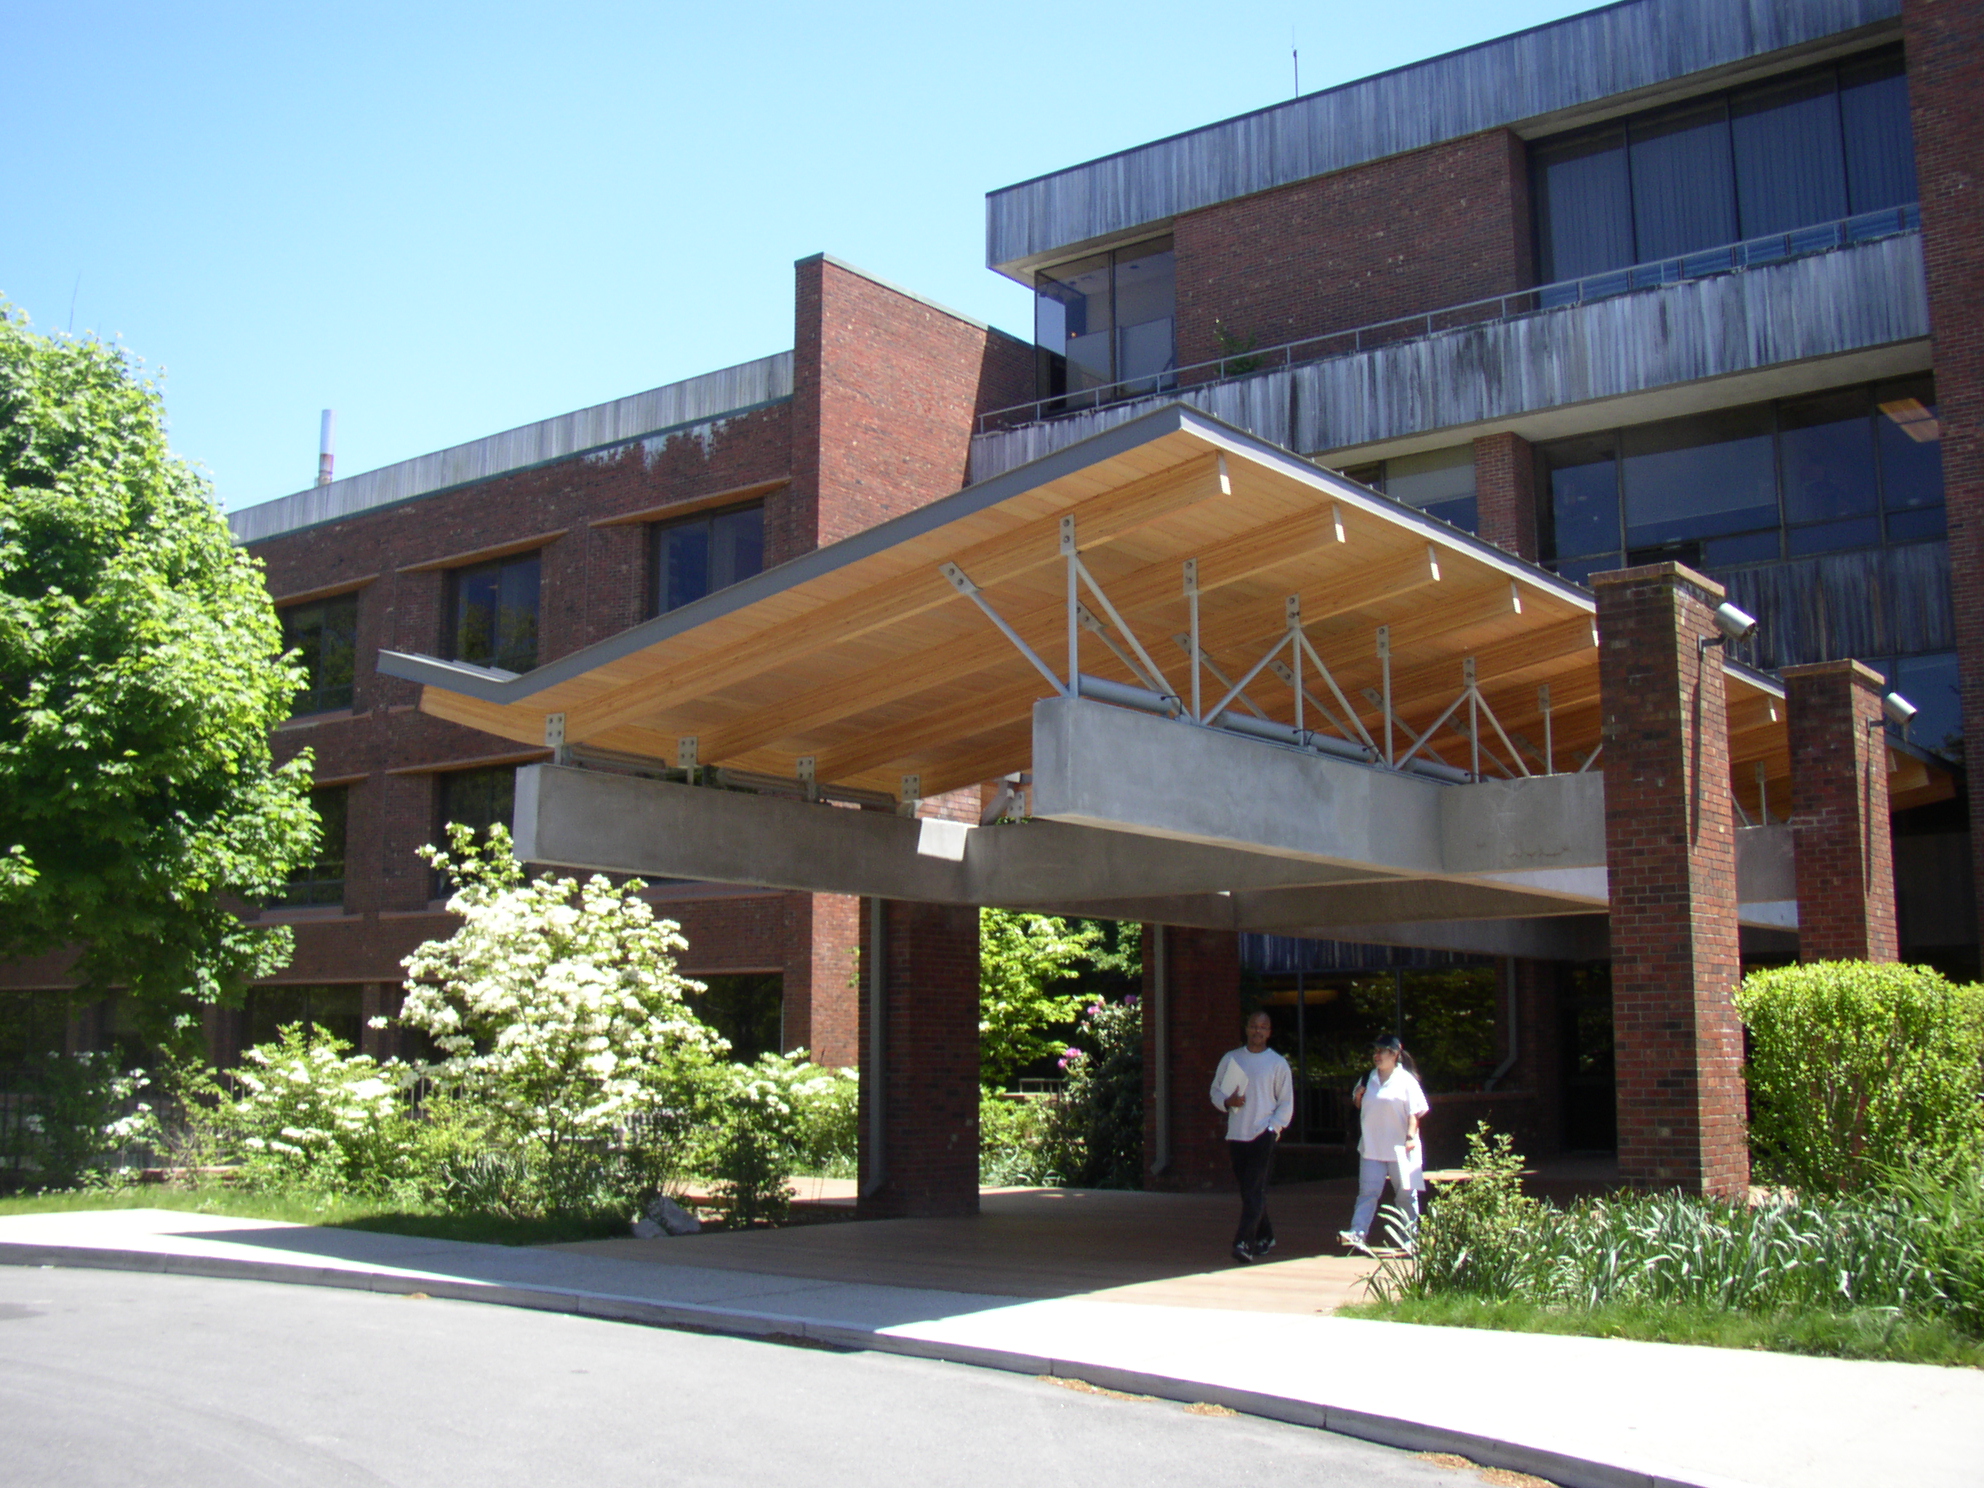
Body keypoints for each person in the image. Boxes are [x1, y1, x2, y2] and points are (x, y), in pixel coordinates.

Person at [1209, 1009, 1293, 1265]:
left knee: (1254, 1190)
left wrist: (1273, 1128)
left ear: (1269, 1032)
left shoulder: (1277, 1063)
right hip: (1237, 1134)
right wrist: (1227, 1102)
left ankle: (1243, 1242)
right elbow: (1215, 1091)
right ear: (1246, 1029)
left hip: (1262, 1134)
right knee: (1249, 1191)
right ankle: (1266, 1235)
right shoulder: (1232, 1059)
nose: (1258, 1031)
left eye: (1263, 1027)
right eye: (1254, 1026)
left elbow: (1286, 1102)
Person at [1340, 1033, 1429, 1251]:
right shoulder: (1367, 1078)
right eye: (1375, 1051)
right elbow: (1361, 1107)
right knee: (1367, 1194)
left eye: (1382, 1051)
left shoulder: (1406, 1080)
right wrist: (1358, 1097)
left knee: (1406, 1195)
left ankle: (1410, 1238)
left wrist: (1410, 1137)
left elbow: (1415, 1113)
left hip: (1402, 1149)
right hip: (1372, 1147)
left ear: (1395, 1054)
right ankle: (1358, 1233)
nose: (1376, 1055)